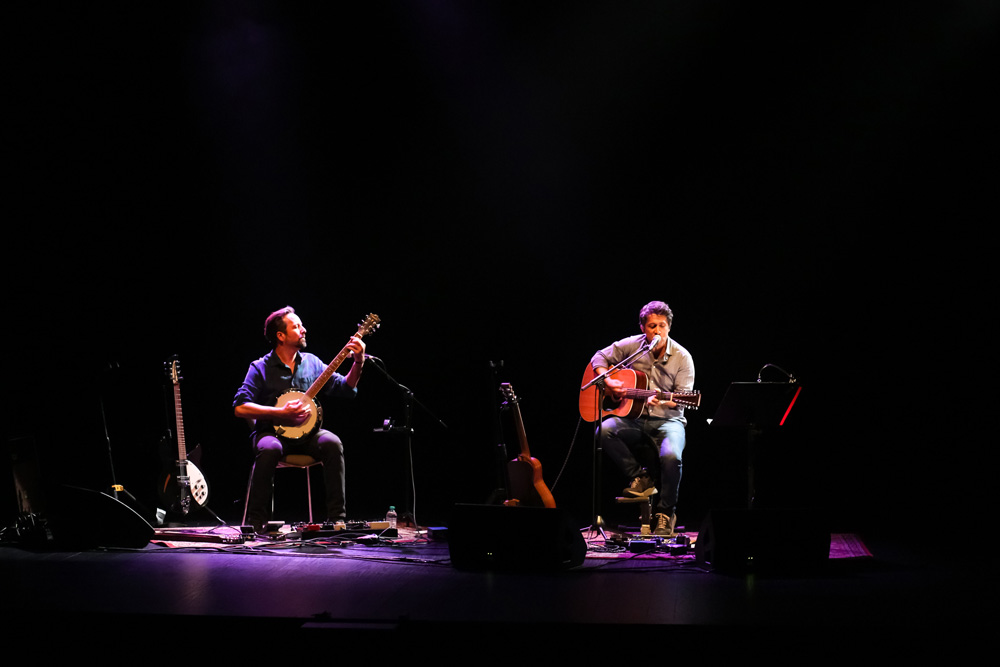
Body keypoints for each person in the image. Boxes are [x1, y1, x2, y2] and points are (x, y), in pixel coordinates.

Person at [234, 306, 365, 533]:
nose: (303, 330)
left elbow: (345, 388)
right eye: (296, 326)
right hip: (270, 434)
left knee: (333, 442)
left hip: (308, 435)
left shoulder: (312, 363)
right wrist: (280, 414)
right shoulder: (259, 367)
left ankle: (337, 521)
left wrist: (358, 362)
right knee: (270, 448)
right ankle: (256, 523)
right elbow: (240, 408)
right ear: (281, 336)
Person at [590, 300, 694, 536]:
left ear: (669, 327)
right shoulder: (633, 346)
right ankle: (641, 477)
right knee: (603, 431)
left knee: (671, 456)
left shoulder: (683, 357)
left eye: (662, 325)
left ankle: (665, 513)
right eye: (651, 326)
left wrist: (663, 400)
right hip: (634, 419)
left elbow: (683, 397)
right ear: (642, 328)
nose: (657, 330)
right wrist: (609, 381)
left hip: (669, 420)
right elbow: (599, 357)